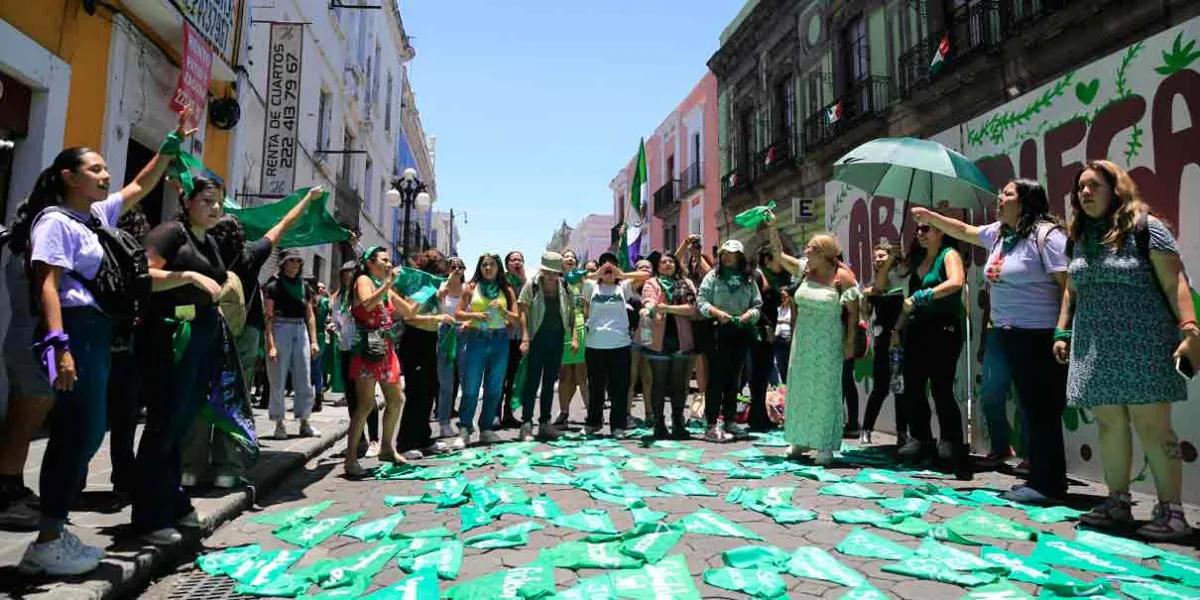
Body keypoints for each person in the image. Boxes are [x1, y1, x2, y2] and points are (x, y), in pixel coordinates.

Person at [12, 112, 192, 573]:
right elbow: (46, 283)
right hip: (73, 329)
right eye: (94, 169)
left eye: (104, 168)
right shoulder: (55, 221)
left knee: (87, 429)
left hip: (95, 333)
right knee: (82, 429)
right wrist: (58, 344)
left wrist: (170, 145)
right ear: (67, 177)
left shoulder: (91, 217)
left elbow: (139, 187)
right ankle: (47, 539)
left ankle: (53, 531)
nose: (104, 175)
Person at [1056, 160, 1198, 539]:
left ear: (1116, 190)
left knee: (1154, 429)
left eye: (1094, 186)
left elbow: (1176, 283)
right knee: (1109, 426)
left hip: (1144, 345)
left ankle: (1173, 514)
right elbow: (1074, 286)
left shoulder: (1146, 228)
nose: (1084, 193)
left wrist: (1191, 330)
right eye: (1080, 188)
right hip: (1095, 349)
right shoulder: (1081, 235)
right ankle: (1117, 502)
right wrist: (1062, 331)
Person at [913, 179, 1068, 501]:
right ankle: (1039, 477)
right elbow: (964, 230)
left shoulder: (1047, 237)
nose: (1000, 197)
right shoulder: (1000, 234)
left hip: (1039, 334)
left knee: (1041, 410)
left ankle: (1048, 483)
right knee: (1028, 405)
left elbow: (1069, 286)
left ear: (1026, 201)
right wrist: (931, 216)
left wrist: (1063, 331)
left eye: (1008, 194)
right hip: (1007, 333)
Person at [198, 186, 325, 487]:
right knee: (234, 396)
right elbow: (283, 225)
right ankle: (227, 469)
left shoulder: (202, 254)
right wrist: (307, 200)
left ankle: (193, 465)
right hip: (245, 330)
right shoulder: (250, 254)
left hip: (207, 329)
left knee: (203, 393)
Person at [132, 174, 231, 545]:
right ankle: (148, 516)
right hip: (173, 335)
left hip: (203, 336)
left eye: (219, 201)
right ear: (187, 200)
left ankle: (172, 500)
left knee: (182, 422)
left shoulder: (210, 240)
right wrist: (187, 274)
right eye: (207, 200)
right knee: (164, 422)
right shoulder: (171, 232)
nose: (215, 208)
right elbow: (144, 273)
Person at [891, 216, 971, 480]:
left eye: (926, 228)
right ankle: (922, 440)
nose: (920, 233)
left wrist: (926, 294)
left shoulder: (949, 254)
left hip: (943, 329)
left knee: (941, 388)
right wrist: (897, 328)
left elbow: (957, 282)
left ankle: (951, 445)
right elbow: (904, 299)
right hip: (917, 329)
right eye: (918, 229)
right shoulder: (916, 261)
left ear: (941, 232)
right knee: (913, 387)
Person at [345, 247, 418, 475]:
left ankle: (387, 448)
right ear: (370, 263)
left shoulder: (384, 287)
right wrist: (388, 284)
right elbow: (366, 304)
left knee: (397, 399)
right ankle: (350, 459)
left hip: (386, 350)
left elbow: (410, 313)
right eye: (385, 260)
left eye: (390, 260)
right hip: (367, 349)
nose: (389, 264)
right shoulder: (364, 280)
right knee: (366, 405)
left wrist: (427, 292)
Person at [696, 239, 762, 443]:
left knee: (734, 379)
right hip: (718, 331)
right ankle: (711, 424)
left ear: (740, 256)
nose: (725, 256)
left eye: (730, 253)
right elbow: (701, 301)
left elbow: (758, 305)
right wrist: (717, 312)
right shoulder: (713, 276)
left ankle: (730, 420)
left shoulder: (748, 279)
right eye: (723, 253)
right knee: (716, 378)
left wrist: (749, 315)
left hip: (740, 331)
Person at [455, 252, 520, 445]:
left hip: (500, 339)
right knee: (471, 387)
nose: (488, 268)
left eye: (492, 264)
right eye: (484, 265)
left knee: (494, 387)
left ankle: (486, 428)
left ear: (499, 267)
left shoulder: (506, 288)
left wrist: (503, 311)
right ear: (479, 267)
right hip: (476, 338)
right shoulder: (471, 287)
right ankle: (464, 429)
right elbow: (458, 313)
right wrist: (475, 316)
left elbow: (515, 319)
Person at [396, 250, 455, 460]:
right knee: (416, 393)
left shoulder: (433, 287)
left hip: (430, 340)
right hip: (415, 340)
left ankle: (423, 438)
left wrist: (438, 299)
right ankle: (405, 442)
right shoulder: (421, 286)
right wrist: (435, 306)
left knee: (430, 389)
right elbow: (411, 316)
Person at [516, 252, 577, 441]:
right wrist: (525, 337)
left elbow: (572, 312)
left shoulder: (565, 286)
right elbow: (523, 310)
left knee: (550, 383)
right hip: (537, 339)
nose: (552, 277)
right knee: (532, 381)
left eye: (555, 273)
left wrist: (574, 337)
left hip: (557, 338)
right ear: (542, 270)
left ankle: (545, 424)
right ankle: (526, 424)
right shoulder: (532, 285)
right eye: (548, 272)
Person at [639, 251, 698, 440]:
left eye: (671, 261)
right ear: (658, 267)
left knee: (680, 384)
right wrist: (648, 308)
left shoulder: (686, 283)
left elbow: (693, 308)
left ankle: (678, 422)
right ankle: (658, 424)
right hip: (658, 340)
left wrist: (667, 308)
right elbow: (648, 300)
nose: (667, 264)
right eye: (663, 262)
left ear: (676, 265)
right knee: (659, 383)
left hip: (682, 340)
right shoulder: (652, 283)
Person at [263, 249, 321, 440]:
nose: (296, 263)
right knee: (278, 377)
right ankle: (279, 423)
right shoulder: (273, 287)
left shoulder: (304, 286)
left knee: (305, 376)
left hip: (300, 329)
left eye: (298, 260)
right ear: (283, 263)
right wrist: (271, 344)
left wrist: (313, 341)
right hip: (281, 328)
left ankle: (305, 421)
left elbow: (310, 315)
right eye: (292, 260)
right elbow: (268, 317)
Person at [860, 241, 909, 446]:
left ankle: (901, 433)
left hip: (900, 339)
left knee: (900, 387)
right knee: (880, 387)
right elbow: (866, 313)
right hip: (882, 341)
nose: (877, 259)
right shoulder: (874, 285)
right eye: (876, 256)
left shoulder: (902, 277)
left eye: (882, 255)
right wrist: (865, 300)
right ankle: (866, 430)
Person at [582, 253, 636, 437]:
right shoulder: (591, 286)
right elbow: (576, 276)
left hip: (620, 344)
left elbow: (645, 275)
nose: (608, 269)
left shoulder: (624, 287)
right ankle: (594, 422)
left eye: (612, 265)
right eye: (604, 265)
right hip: (595, 344)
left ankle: (618, 425)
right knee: (596, 387)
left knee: (619, 387)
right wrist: (598, 273)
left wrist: (620, 273)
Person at [332, 261, 379, 458]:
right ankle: (359, 440)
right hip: (345, 349)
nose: (348, 277)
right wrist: (333, 326)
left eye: (351, 273)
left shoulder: (362, 294)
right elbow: (337, 320)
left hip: (362, 349)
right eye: (344, 273)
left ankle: (375, 439)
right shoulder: (338, 297)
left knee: (367, 397)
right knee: (351, 396)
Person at [749, 246, 790, 432]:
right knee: (758, 374)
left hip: (768, 330)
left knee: (763, 374)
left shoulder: (775, 279)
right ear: (767, 260)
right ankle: (757, 417)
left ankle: (759, 415)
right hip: (760, 331)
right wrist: (767, 327)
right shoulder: (757, 276)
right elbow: (756, 305)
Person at [678, 234, 713, 418]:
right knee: (694, 360)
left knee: (705, 360)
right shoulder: (686, 278)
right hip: (690, 321)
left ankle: (706, 396)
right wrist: (686, 244)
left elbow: (708, 272)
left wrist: (699, 255)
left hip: (707, 321)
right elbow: (676, 260)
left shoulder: (709, 274)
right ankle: (698, 397)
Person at [436, 256, 468, 444]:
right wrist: (445, 284)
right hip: (445, 334)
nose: (456, 269)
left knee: (466, 381)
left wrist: (468, 323)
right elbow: (436, 304)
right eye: (452, 266)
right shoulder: (442, 286)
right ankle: (443, 422)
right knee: (446, 383)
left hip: (464, 333)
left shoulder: (467, 290)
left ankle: (464, 422)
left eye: (459, 266)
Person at [555, 249, 588, 427]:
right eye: (566, 257)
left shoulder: (582, 281)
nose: (569, 259)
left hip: (580, 327)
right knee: (565, 374)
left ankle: (592, 414)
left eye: (572, 257)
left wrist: (585, 303)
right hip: (562, 329)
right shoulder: (556, 281)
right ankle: (563, 413)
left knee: (582, 373)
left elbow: (586, 311)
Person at [499, 251, 527, 429]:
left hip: (518, 337)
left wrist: (524, 280)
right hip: (502, 335)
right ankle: (493, 415)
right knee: (498, 378)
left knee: (513, 378)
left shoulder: (526, 283)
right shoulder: (500, 282)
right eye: (512, 260)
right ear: (506, 264)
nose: (516, 262)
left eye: (520, 260)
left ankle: (508, 414)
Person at [626, 258, 653, 427]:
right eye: (640, 267)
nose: (644, 269)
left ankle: (650, 414)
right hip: (631, 339)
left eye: (648, 267)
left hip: (649, 338)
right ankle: (627, 414)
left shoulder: (654, 288)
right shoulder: (628, 287)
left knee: (648, 378)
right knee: (631, 378)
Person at [311, 281, 331, 412]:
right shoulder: (325, 301)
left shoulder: (311, 301)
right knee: (317, 368)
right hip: (321, 336)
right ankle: (318, 397)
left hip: (311, 335)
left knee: (311, 369)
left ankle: (314, 397)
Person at [773, 293, 793, 384]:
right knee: (780, 365)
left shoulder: (792, 310)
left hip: (788, 339)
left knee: (789, 366)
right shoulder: (778, 309)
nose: (782, 299)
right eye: (781, 297)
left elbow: (793, 321)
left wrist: (781, 321)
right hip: (778, 339)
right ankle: (784, 388)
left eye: (785, 297)